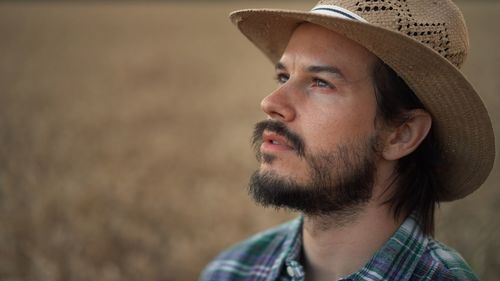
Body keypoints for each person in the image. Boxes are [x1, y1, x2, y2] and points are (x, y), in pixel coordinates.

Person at [200, 0, 495, 280]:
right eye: (283, 77)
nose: (271, 102)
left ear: (401, 134)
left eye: (321, 83)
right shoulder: (232, 270)